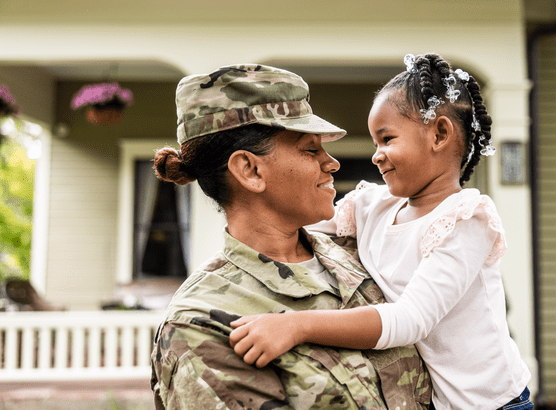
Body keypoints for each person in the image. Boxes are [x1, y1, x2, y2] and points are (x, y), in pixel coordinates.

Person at [229, 53, 533, 410]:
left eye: (387, 139)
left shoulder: (466, 220)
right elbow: (291, 223)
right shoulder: (374, 206)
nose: (376, 155)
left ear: (439, 134)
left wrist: (296, 326)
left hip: (495, 403)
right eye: (375, 142)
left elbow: (410, 320)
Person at [149, 63, 432, 410]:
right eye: (310, 150)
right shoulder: (202, 324)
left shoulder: (361, 255)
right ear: (250, 170)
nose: (332, 163)